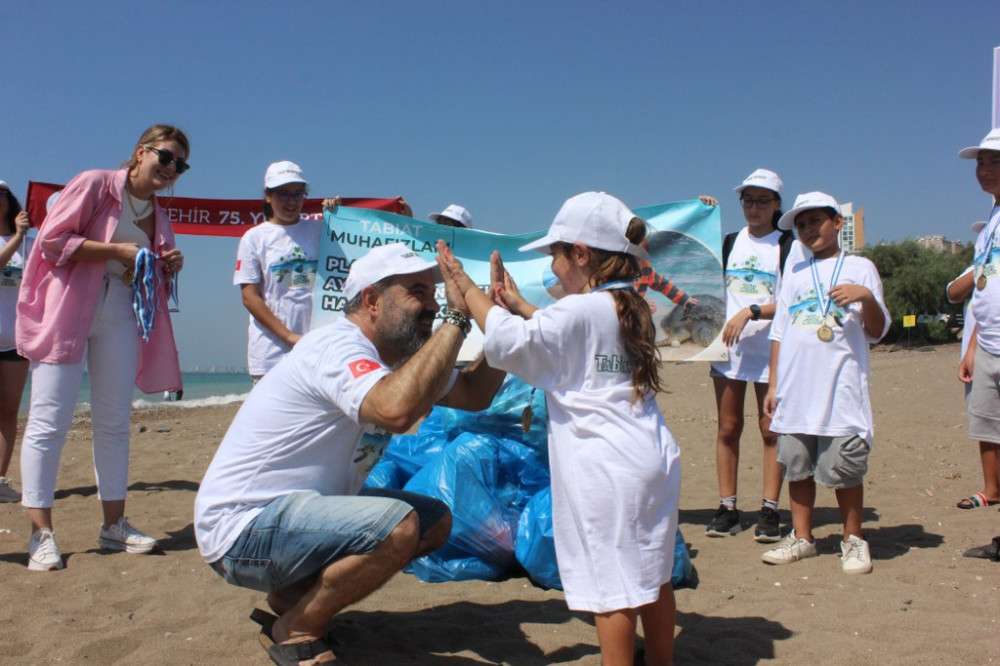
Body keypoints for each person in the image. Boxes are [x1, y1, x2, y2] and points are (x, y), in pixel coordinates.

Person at [195, 242, 506, 665]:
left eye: (434, 294)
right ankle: (298, 627)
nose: (432, 304)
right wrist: (457, 317)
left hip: (295, 515)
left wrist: (506, 327)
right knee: (398, 527)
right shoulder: (336, 348)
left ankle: (293, 598)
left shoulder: (396, 360)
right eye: (418, 292)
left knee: (435, 522)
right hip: (243, 528)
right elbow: (394, 410)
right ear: (372, 301)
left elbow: (474, 393)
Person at [436, 191, 681, 666]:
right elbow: (567, 335)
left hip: (606, 466)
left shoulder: (583, 310)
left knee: (611, 588)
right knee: (653, 572)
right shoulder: (631, 305)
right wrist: (520, 305)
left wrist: (467, 290)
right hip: (649, 456)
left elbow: (511, 344)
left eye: (556, 254)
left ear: (582, 254)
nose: (553, 265)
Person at [16, 124, 188, 571]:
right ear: (140, 152)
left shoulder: (159, 212)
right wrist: (118, 251)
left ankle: (114, 524)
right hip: (71, 306)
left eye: (180, 165)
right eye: (165, 157)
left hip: (120, 310)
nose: (171, 169)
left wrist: (168, 263)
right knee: (49, 419)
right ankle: (41, 532)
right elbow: (53, 241)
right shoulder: (94, 183)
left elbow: (149, 268)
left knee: (113, 420)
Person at [762, 192, 888, 574]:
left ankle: (853, 539)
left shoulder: (861, 267)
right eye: (801, 224)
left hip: (841, 390)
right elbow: (779, 333)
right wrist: (772, 385)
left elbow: (877, 330)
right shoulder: (795, 274)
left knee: (845, 469)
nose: (808, 230)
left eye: (815, 220)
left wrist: (864, 297)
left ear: (838, 223)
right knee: (797, 466)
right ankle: (803, 537)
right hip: (795, 391)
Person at [705, 169, 792, 543]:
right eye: (748, 200)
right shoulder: (728, 242)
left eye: (762, 200)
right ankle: (728, 508)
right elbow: (696, 265)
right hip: (728, 351)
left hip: (769, 348)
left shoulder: (787, 245)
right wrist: (703, 212)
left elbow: (790, 301)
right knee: (727, 428)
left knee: (770, 429)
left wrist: (751, 311)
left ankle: (770, 509)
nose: (754, 208)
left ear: (776, 205)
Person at [235, 161, 320, 383]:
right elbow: (249, 297)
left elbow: (354, 243)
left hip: (316, 351)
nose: (291, 201)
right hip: (270, 355)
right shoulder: (254, 238)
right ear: (268, 196)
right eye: (283, 194)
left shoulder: (320, 229)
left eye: (297, 194)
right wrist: (289, 337)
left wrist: (338, 213)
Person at [956, 128, 1000, 560]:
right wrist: (971, 347)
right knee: (992, 438)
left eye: (994, 161)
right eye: (980, 163)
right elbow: (983, 294)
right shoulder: (989, 227)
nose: (984, 169)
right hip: (988, 348)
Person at [947, 221, 998, 510]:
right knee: (986, 426)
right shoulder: (983, 267)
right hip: (983, 350)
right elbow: (954, 292)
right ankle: (992, 488)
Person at [0, 181, 31, 502]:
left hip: (17, 339)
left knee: (8, 412)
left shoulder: (30, 246)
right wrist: (18, 238)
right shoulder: (21, 242)